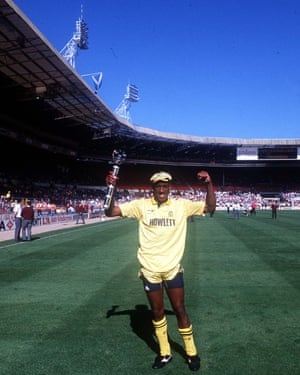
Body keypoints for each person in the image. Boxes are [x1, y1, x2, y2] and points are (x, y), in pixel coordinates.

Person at [105, 170, 216, 371]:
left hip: (172, 268)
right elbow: (110, 212)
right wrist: (111, 188)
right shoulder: (141, 205)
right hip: (149, 270)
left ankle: (191, 352)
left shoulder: (181, 205)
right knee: (156, 311)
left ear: (169, 188)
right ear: (153, 188)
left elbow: (210, 206)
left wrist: (209, 183)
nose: (162, 189)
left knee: (180, 309)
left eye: (165, 186)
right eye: (158, 186)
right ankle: (165, 353)